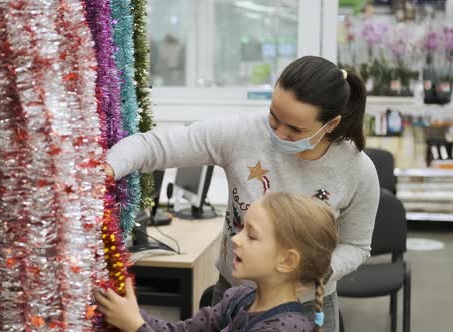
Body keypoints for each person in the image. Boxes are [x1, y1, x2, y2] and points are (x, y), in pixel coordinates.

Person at [105, 56, 380, 330]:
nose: (279, 134)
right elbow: (153, 146)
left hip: (308, 304)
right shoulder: (243, 134)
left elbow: (357, 246)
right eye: (274, 117)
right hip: (236, 295)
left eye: (295, 129)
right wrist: (106, 168)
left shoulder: (356, 170)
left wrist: (312, 271)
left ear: (331, 124)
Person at [95, 192, 339, 332]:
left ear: (287, 261)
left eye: (251, 235)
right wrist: (133, 313)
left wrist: (136, 326)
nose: (235, 239)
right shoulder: (239, 298)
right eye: (241, 229)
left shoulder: (284, 328)